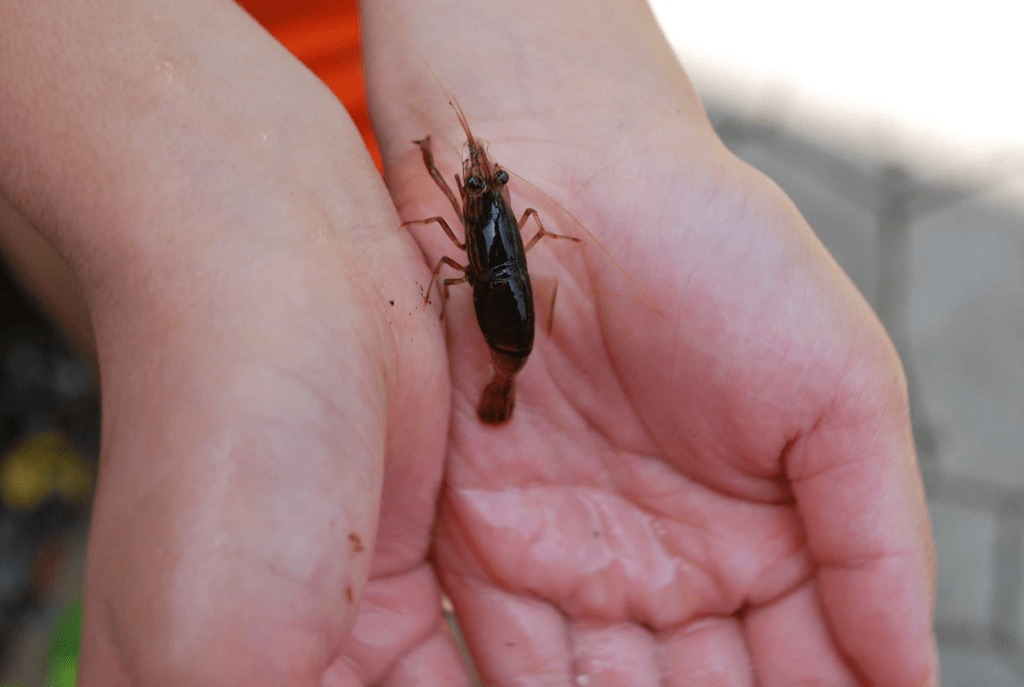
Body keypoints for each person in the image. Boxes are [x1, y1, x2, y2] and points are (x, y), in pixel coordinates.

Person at [0, 0, 937, 684]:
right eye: (482, 183)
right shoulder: (478, 212)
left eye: (487, 183)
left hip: (355, 160)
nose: (484, 184)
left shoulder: (481, 216)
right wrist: (148, 176)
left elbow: (483, 249)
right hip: (189, 152)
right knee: (202, 357)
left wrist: (556, 58)